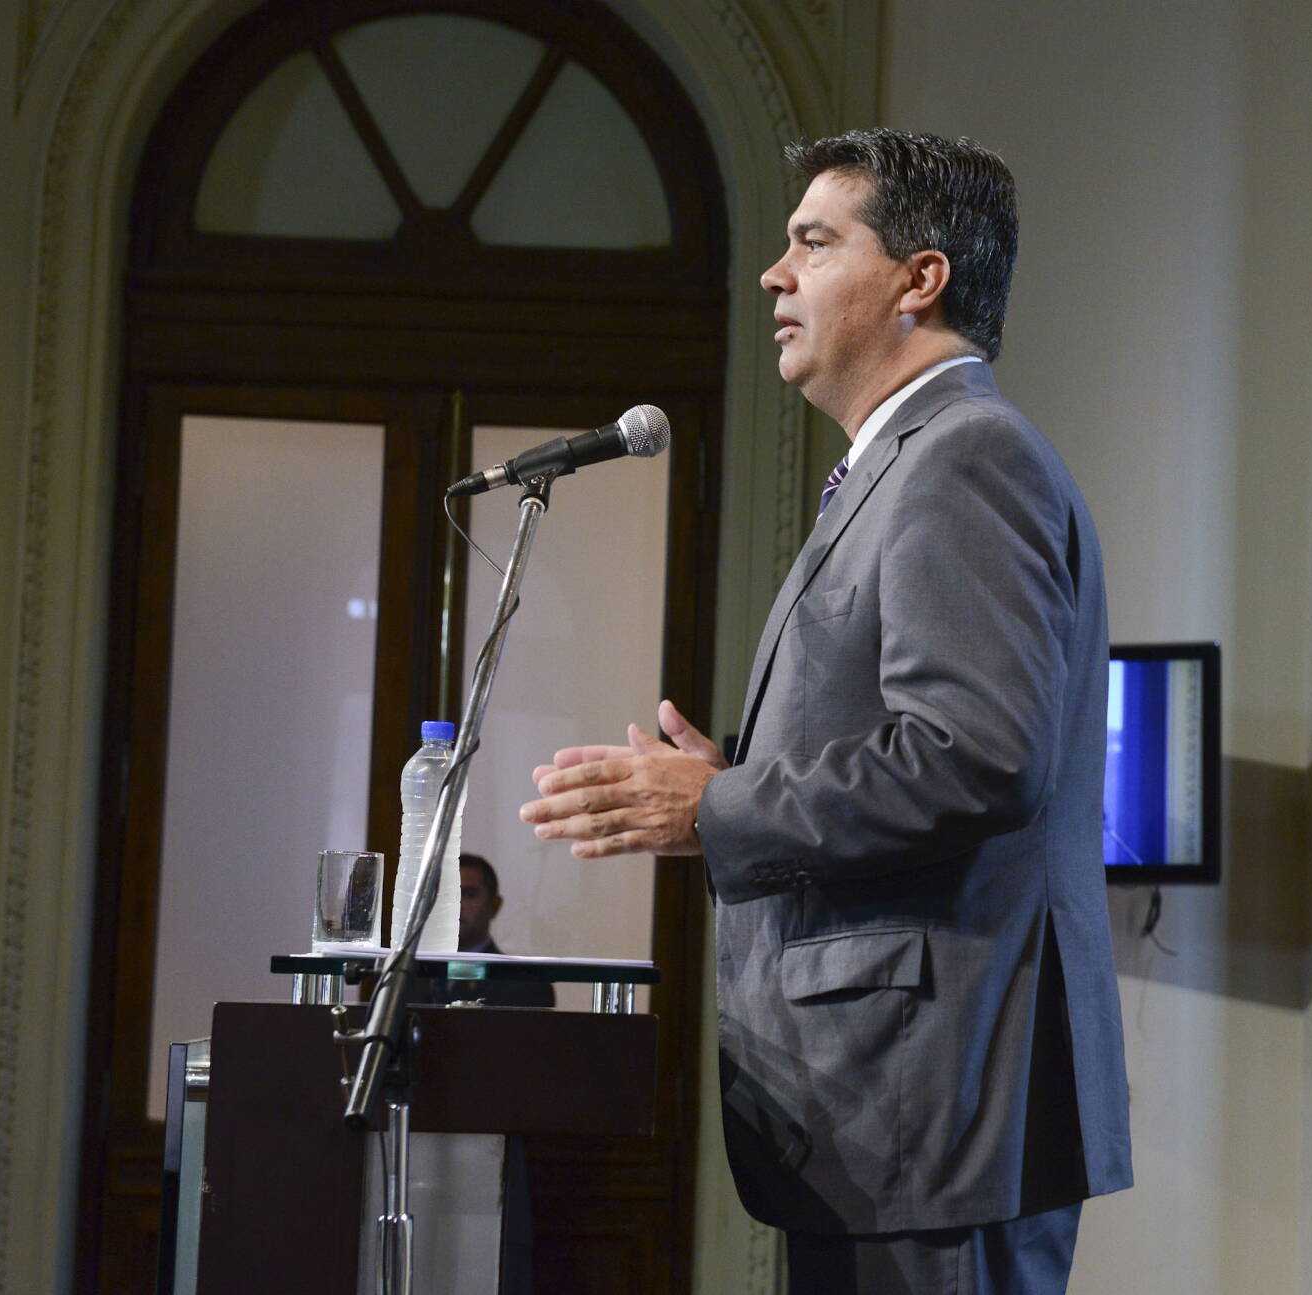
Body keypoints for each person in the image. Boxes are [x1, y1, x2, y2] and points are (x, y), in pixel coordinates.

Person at [518, 128, 1129, 1294]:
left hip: (939, 1106)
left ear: (919, 278)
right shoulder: (901, 461)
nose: (772, 274)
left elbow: (977, 755)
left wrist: (725, 804)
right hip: (888, 1111)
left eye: (812, 242)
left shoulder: (964, 456)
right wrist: (741, 771)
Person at [444, 853, 554, 1009]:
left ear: (494, 905)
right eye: (447, 895)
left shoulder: (526, 985)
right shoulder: (408, 976)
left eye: (469, 895)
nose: (456, 905)